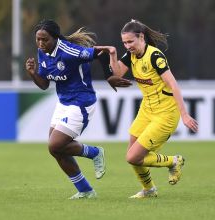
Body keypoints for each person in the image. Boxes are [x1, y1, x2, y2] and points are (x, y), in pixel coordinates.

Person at [25, 19, 132, 199]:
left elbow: (101, 53)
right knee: (55, 150)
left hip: (82, 102)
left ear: (55, 38)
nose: (41, 44)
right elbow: (44, 85)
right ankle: (85, 190)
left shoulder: (69, 51)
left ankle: (95, 152)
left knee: (55, 144)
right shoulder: (42, 52)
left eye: (45, 40)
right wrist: (33, 74)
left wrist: (109, 77)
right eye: (38, 39)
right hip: (64, 103)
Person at [95, 19, 198, 198]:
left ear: (141, 37)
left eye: (130, 42)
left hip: (165, 113)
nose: (127, 46)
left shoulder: (154, 56)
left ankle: (174, 161)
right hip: (146, 110)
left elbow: (173, 85)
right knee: (132, 155)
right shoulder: (131, 55)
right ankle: (149, 190)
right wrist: (113, 54)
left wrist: (185, 114)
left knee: (133, 157)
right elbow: (117, 73)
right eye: (124, 43)